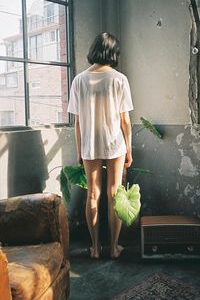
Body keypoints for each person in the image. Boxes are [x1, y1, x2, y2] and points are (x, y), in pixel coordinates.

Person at [67, 32, 134, 259]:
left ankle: (95, 248)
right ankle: (114, 248)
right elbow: (125, 121)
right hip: (115, 143)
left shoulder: (79, 80)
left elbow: (77, 122)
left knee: (92, 195)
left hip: (90, 144)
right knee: (115, 194)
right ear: (113, 53)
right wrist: (129, 149)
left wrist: (79, 151)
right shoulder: (119, 79)